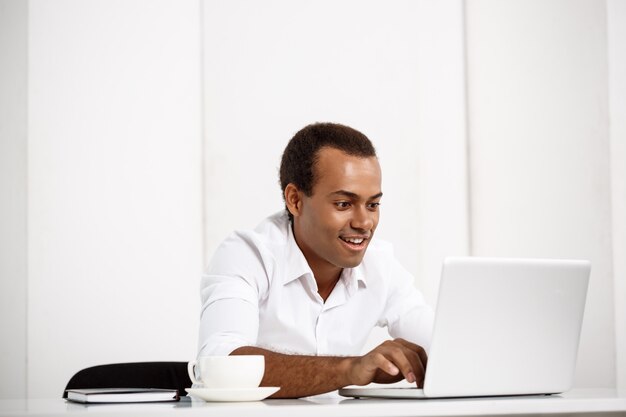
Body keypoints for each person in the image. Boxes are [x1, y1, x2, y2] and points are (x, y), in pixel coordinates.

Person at [197, 122, 433, 398]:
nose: (365, 222)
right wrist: (350, 369)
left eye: (373, 204)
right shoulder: (248, 255)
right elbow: (220, 365)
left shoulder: (380, 264)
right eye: (344, 204)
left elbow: (445, 346)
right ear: (295, 200)